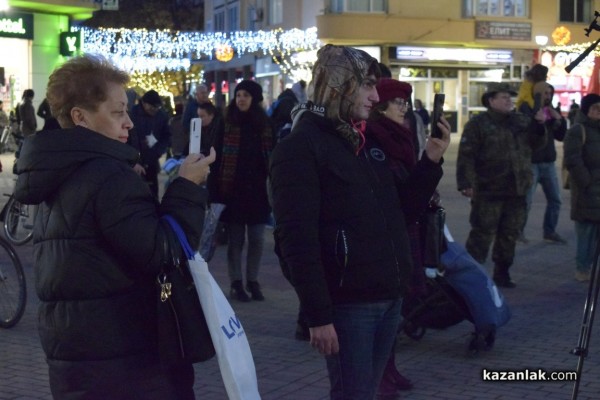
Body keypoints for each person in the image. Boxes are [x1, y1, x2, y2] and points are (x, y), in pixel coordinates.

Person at [12, 54, 215, 399]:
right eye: (118, 112)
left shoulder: (58, 174)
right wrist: (187, 187)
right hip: (128, 364)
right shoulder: (107, 176)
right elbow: (163, 250)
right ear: (81, 118)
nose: (129, 124)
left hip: (77, 359)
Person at [270, 44, 449, 400]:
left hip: (387, 295)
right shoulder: (300, 147)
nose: (375, 95)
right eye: (366, 85)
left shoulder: (363, 140)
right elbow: (296, 240)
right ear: (339, 85)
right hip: (348, 305)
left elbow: (400, 212)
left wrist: (429, 162)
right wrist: (317, 315)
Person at [366, 77, 450, 399]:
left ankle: (389, 369)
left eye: (406, 103)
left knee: (396, 307)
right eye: (399, 103)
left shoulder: (400, 137)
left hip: (405, 233)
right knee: (381, 312)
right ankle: (380, 375)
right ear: (381, 106)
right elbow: (397, 197)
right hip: (384, 241)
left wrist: (430, 162)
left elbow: (409, 192)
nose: (405, 109)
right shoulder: (374, 141)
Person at [457, 82, 546, 288]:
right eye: (504, 97)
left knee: (509, 233)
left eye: (510, 97)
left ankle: (502, 272)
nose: (509, 101)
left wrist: (540, 126)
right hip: (489, 189)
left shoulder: (521, 121)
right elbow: (466, 155)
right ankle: (471, 275)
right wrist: (466, 183)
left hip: (517, 188)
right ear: (491, 100)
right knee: (482, 232)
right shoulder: (478, 124)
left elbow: (537, 145)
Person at [208, 79, 272, 302]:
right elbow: (215, 159)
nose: (241, 99)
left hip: (257, 192)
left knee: (256, 238)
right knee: (235, 240)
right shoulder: (226, 122)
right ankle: (236, 282)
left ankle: (252, 280)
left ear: (254, 99)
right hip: (232, 192)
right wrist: (214, 192)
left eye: (245, 95)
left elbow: (270, 158)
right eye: (238, 95)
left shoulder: (264, 124)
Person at [518, 82, 567, 244]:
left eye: (550, 93)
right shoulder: (528, 108)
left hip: (548, 162)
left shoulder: (551, 110)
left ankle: (549, 230)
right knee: (527, 200)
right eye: (545, 93)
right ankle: (518, 231)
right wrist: (539, 120)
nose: (548, 96)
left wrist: (559, 119)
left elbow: (560, 136)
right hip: (532, 162)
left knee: (555, 199)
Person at [563, 94, 600, 282]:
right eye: (595, 108)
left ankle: (593, 268)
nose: (599, 112)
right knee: (586, 231)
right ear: (586, 110)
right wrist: (586, 181)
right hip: (586, 190)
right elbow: (572, 159)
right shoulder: (579, 130)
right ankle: (582, 268)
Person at [128, 89, 171, 199]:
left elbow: (166, 135)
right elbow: (128, 139)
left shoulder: (161, 116)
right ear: (144, 103)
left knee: (153, 194)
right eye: (152, 107)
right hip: (134, 162)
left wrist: (158, 151)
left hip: (152, 159)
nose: (154, 110)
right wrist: (134, 161)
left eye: (157, 107)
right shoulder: (132, 114)